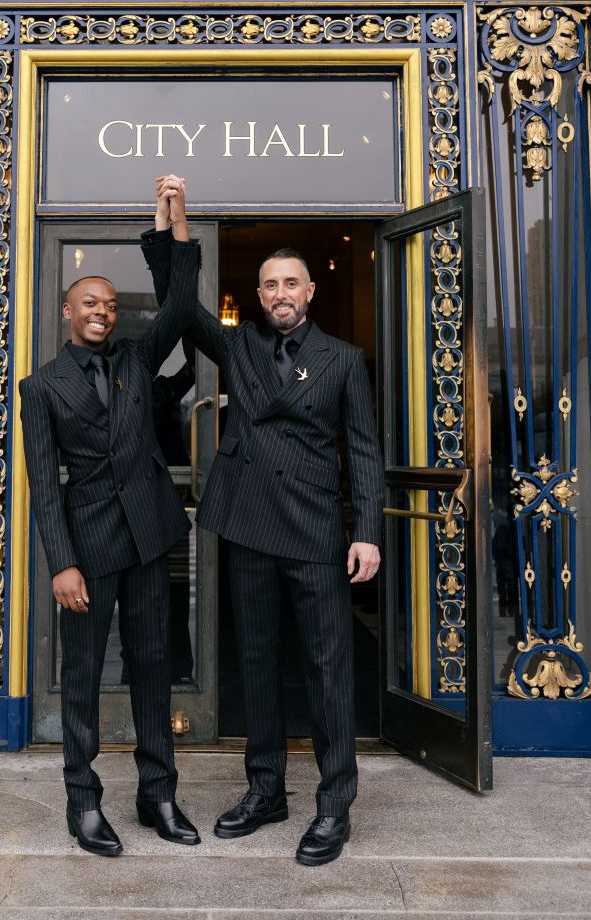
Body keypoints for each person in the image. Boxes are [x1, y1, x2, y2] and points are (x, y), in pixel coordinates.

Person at [145, 176, 383, 868]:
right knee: (254, 663)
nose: (280, 294)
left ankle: (334, 804)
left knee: (328, 668)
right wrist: (175, 227)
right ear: (260, 296)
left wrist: (365, 530)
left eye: (291, 283)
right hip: (248, 522)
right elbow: (180, 307)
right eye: (269, 284)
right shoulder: (240, 348)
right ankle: (266, 790)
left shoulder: (342, 359)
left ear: (309, 292)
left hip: (313, 529)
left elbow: (363, 450)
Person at [19, 184, 200, 857]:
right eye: (90, 303)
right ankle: (82, 801)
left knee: (154, 668)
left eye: (110, 305)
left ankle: (158, 795)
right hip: (89, 549)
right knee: (85, 674)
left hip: (152, 538)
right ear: (68, 310)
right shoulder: (41, 388)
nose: (102, 311)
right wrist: (61, 562)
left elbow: (181, 307)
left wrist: (171, 229)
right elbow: (44, 485)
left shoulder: (135, 361)